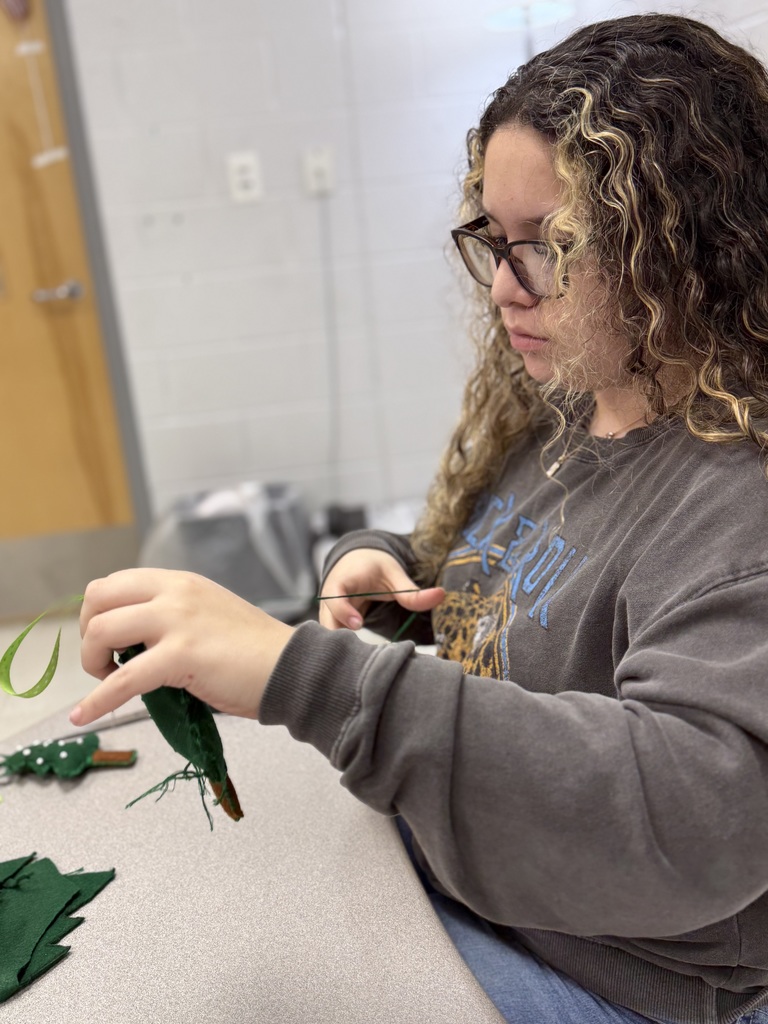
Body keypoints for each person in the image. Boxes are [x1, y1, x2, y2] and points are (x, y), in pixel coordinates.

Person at [70, 13, 768, 1024]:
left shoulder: (737, 499)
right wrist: (394, 572)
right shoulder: (581, 401)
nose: (503, 286)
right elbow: (527, 583)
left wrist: (301, 675)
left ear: (687, 248)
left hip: (626, 978)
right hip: (490, 890)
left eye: (552, 247)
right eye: (495, 237)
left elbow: (694, 821)